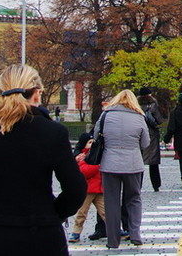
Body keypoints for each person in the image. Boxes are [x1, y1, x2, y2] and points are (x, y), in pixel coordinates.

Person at [0, 63, 86, 256]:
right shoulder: (52, 132)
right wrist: (52, 212)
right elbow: (76, 189)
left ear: (2, 92)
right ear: (37, 93)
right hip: (41, 233)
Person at [99, 88, 150, 248]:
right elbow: (145, 143)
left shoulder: (105, 115)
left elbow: (96, 136)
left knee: (111, 201)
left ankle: (112, 240)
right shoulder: (139, 117)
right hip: (133, 164)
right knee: (134, 199)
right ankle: (134, 233)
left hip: (110, 163)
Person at [68, 140, 105, 244]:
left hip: (98, 189)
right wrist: (97, 166)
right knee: (82, 212)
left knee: (105, 212)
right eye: (89, 142)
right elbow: (84, 171)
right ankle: (76, 232)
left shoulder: (99, 155)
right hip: (88, 190)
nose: (92, 144)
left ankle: (115, 229)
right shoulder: (83, 156)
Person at [137, 87, 164, 191]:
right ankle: (156, 185)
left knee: (139, 162)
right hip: (151, 134)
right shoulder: (153, 103)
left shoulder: (135, 105)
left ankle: (138, 185)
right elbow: (159, 119)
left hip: (138, 133)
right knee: (153, 162)